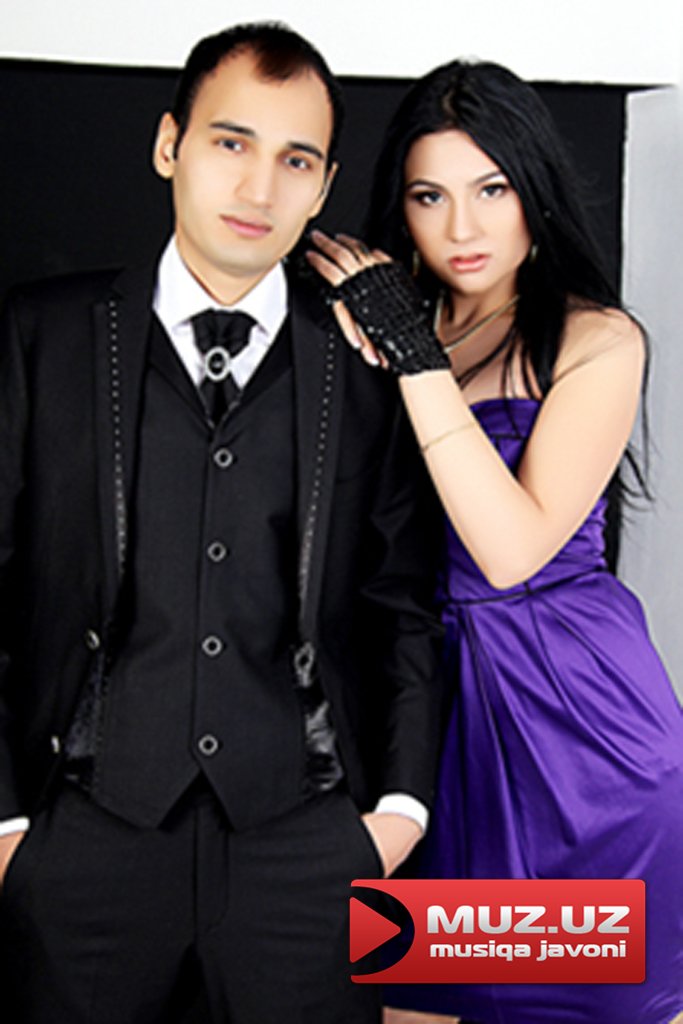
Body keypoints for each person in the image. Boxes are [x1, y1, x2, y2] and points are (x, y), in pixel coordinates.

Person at [0, 23, 445, 1024]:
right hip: (81, 839)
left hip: (307, 845)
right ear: (170, 145)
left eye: (295, 160)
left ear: (324, 187)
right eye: (230, 142)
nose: (258, 187)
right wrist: (7, 826)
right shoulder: (44, 332)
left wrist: (395, 814)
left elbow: (401, 596)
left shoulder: (365, 364)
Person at [307, 59, 683, 1024]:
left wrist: (412, 357)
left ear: (534, 191)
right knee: (411, 999)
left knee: (603, 1004)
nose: (462, 228)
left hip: (575, 735)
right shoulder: (370, 329)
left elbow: (510, 551)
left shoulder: (597, 340)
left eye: (492, 189)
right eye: (429, 196)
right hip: (419, 722)